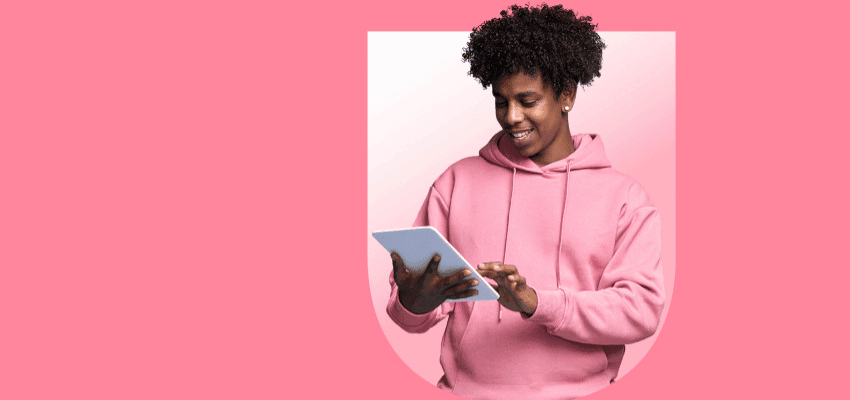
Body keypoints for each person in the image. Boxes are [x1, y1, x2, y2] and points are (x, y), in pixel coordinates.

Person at [386, 4, 665, 399]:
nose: (511, 116)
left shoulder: (624, 198)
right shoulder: (455, 182)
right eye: (501, 101)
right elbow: (409, 312)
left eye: (528, 100)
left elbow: (640, 311)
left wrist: (537, 304)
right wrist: (412, 303)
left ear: (566, 94)